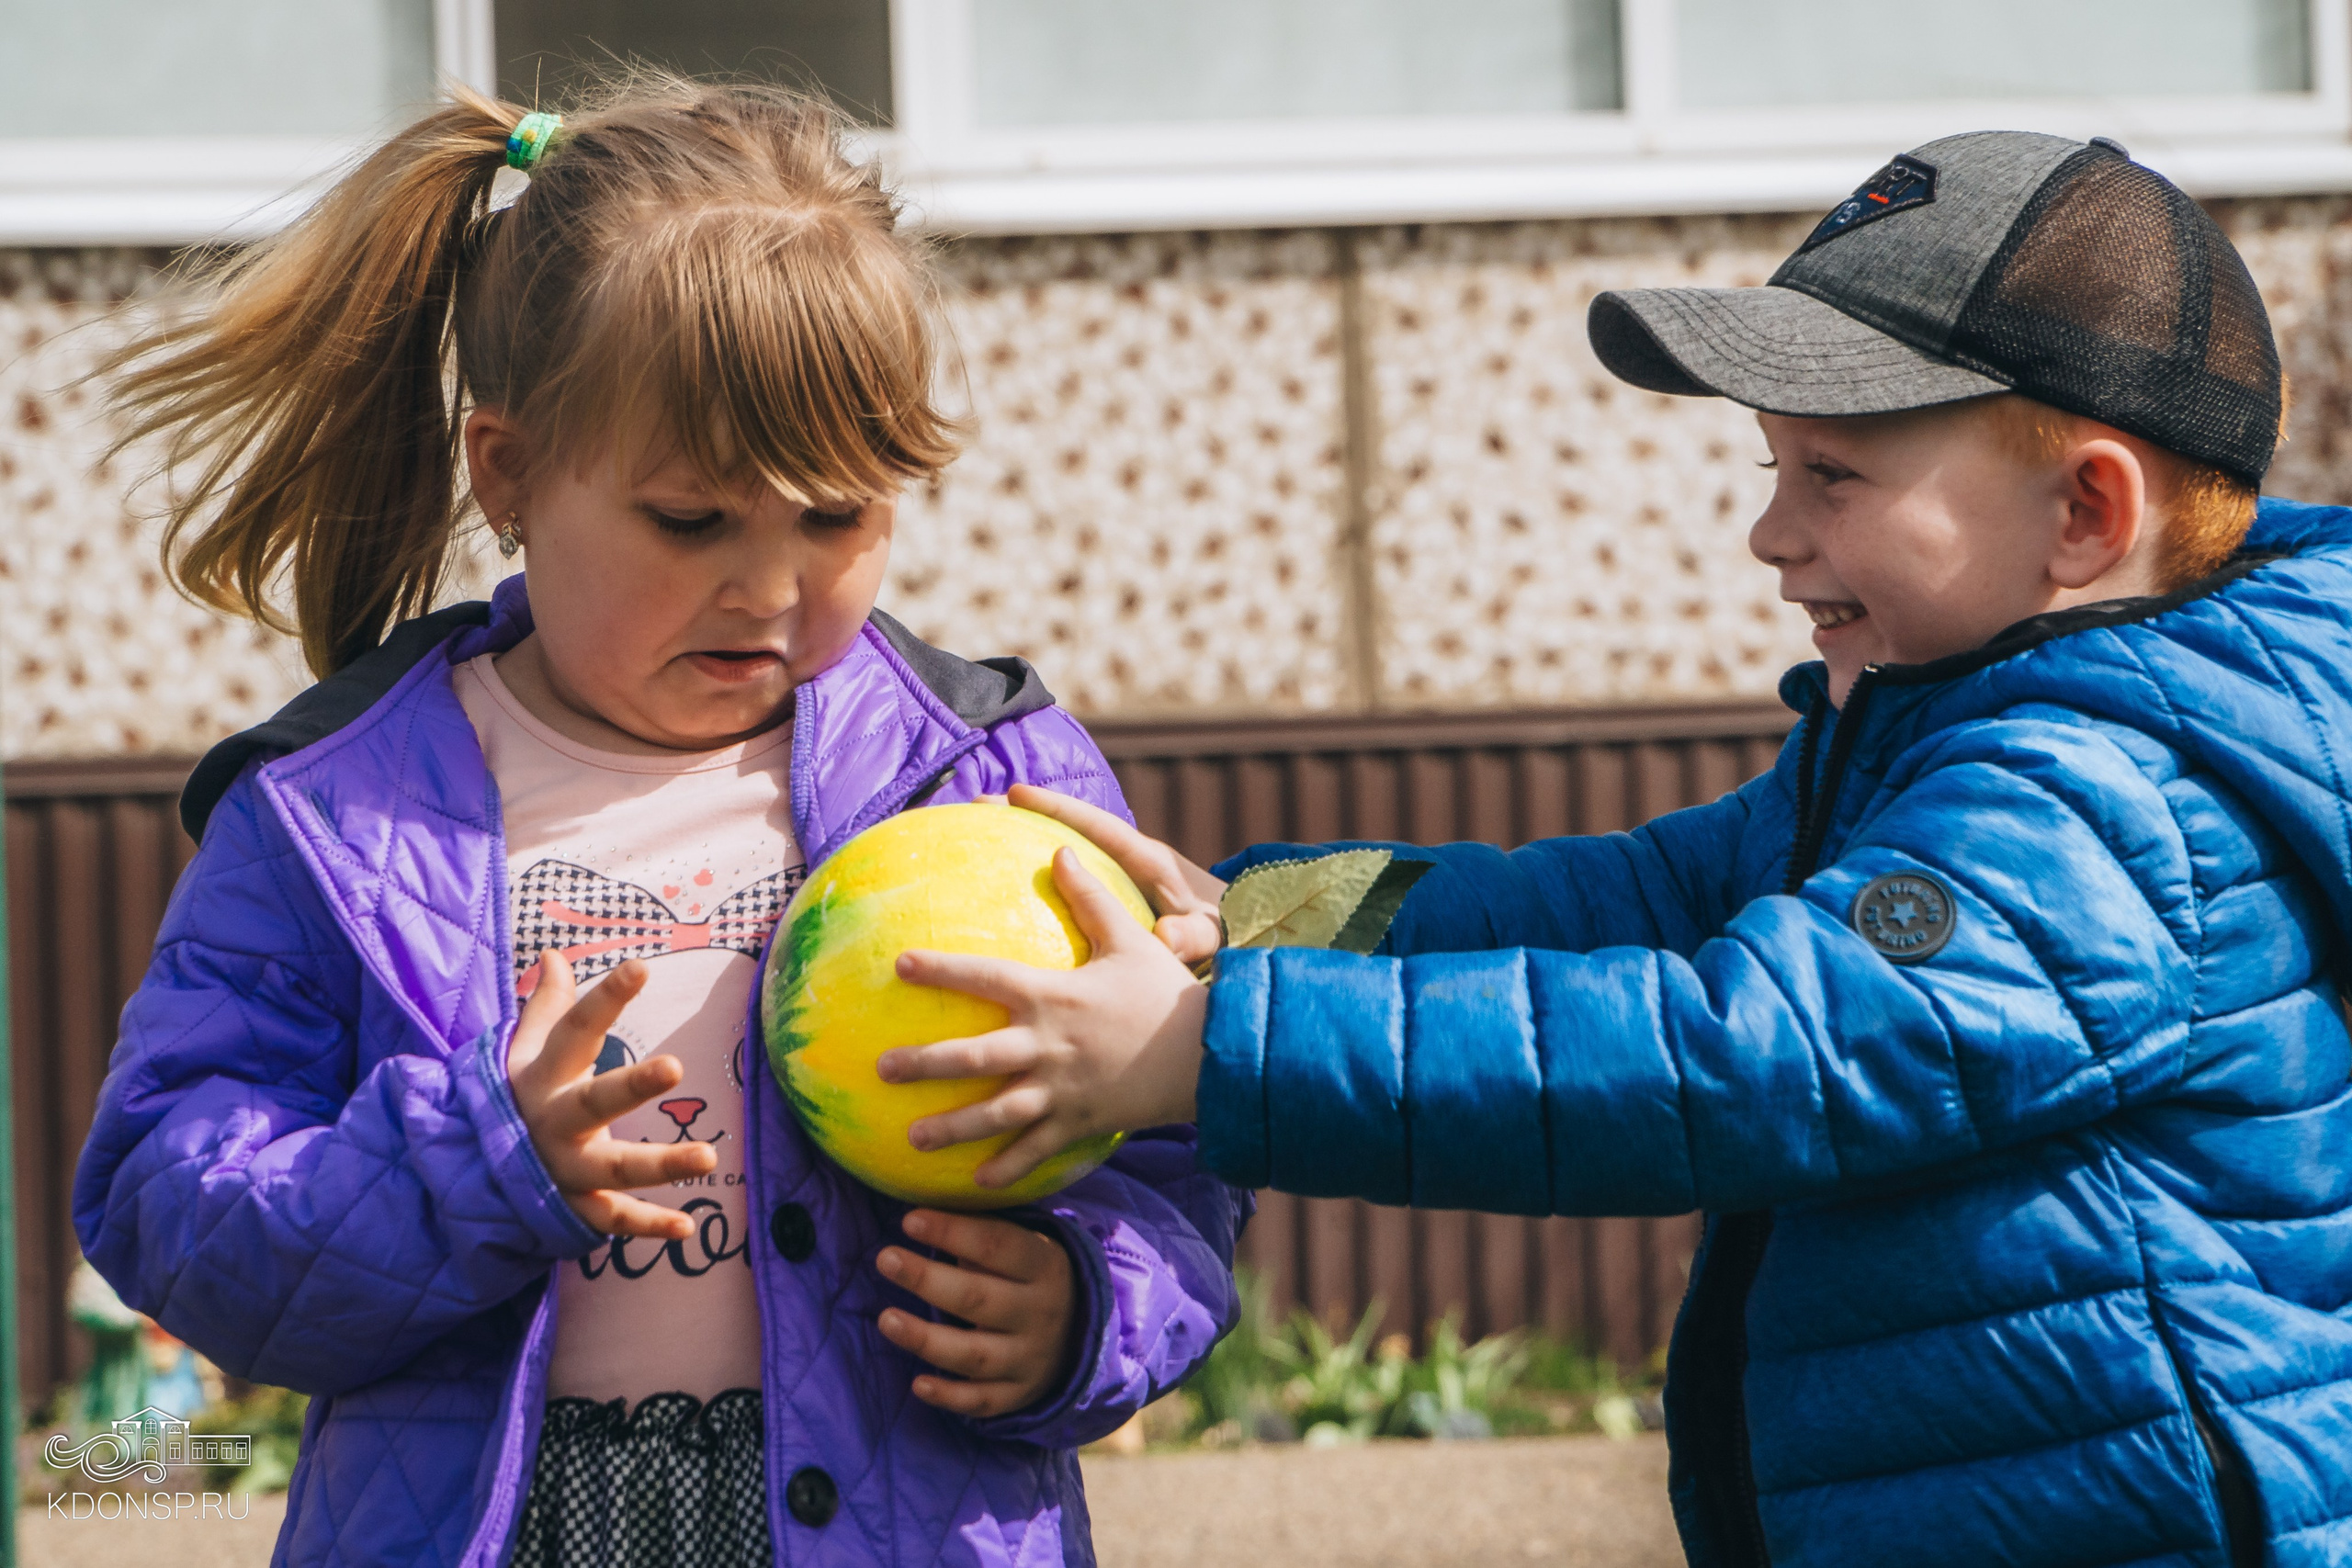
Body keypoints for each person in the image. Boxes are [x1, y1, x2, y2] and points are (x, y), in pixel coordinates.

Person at [876, 131, 2352, 1567]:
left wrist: (1219, 1051)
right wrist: (1272, 916)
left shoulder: (2102, 800)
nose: (1770, 535)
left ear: (2087, 511)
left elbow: (1745, 1056)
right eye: (1775, 470)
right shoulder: (1949, 736)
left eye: (1831, 479)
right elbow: (1645, 900)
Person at [71, 79, 1245, 1568]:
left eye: (838, 516)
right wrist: (479, 1161)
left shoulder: (987, 777)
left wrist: (1086, 1304)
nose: (769, 586)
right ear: (509, 472)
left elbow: (1178, 1145)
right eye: (693, 522)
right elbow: (175, 1205)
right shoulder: (333, 813)